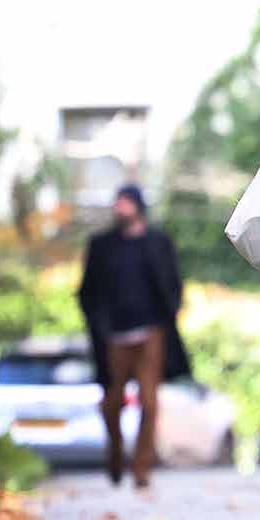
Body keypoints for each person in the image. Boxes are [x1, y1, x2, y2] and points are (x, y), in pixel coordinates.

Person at [76, 183, 192, 489]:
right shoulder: (101, 245)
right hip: (113, 337)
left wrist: (172, 311)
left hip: (151, 332)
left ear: (138, 206)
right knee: (112, 403)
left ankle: (141, 467)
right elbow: (87, 290)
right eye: (117, 202)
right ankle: (115, 452)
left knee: (150, 402)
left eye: (125, 202)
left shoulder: (157, 242)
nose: (119, 208)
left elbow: (173, 283)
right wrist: (98, 324)